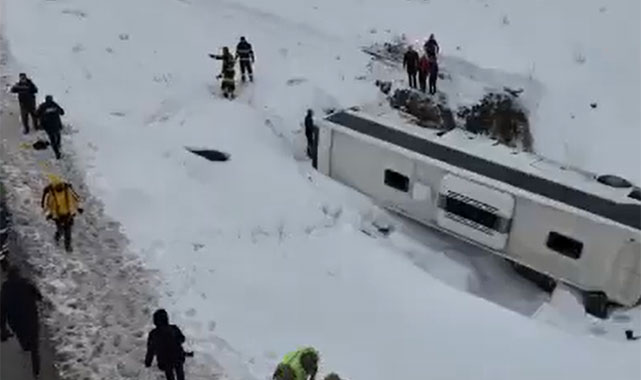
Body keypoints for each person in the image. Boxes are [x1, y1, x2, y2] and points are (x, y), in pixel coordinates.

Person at [1, 266, 42, 378]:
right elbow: (39, 296)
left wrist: (3, 328)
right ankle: (36, 372)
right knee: (35, 345)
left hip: (16, 322)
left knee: (25, 344)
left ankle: (27, 346)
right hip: (31, 318)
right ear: (19, 274)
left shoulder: (5, 288)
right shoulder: (27, 283)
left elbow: (2, 309)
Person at [41, 175, 82, 252]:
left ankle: (68, 248)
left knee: (68, 233)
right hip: (58, 216)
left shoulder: (67, 190)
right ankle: (56, 239)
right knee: (60, 230)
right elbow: (49, 204)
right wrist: (49, 214)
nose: (59, 187)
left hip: (68, 214)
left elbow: (75, 199)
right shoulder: (52, 192)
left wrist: (78, 208)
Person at [145, 309, 187, 380]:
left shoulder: (153, 334)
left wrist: (148, 362)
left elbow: (150, 350)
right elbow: (182, 339)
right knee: (179, 369)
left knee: (169, 372)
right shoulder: (174, 328)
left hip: (164, 360)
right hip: (178, 356)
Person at [35, 95, 65, 159]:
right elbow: (62, 112)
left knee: (52, 139)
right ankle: (58, 145)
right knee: (58, 135)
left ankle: (57, 152)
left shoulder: (43, 106)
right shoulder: (55, 105)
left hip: (48, 126)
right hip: (56, 124)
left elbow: (36, 114)